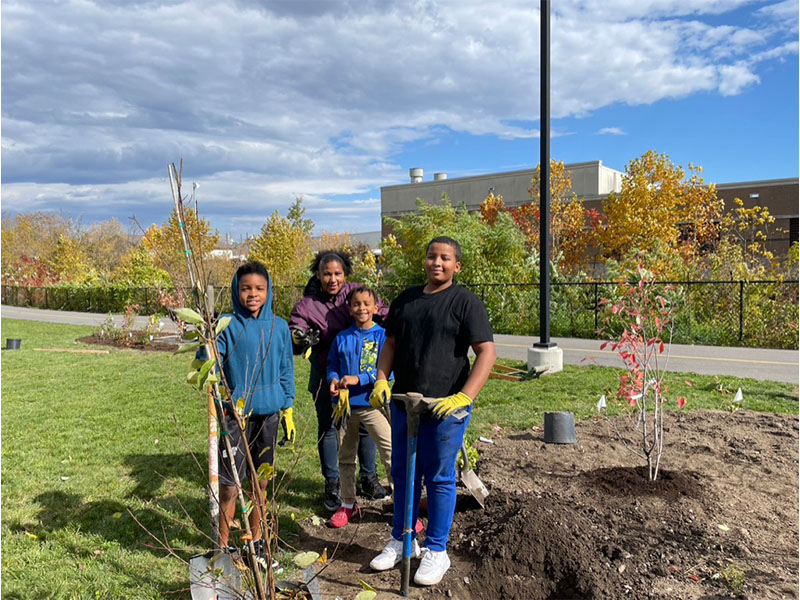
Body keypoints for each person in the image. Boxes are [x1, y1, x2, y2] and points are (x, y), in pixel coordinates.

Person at [368, 236, 496, 586]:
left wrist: (464, 397)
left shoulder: (465, 302)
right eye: (431, 256)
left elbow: (486, 352)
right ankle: (403, 540)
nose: (436, 263)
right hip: (405, 403)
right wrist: (382, 379)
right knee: (403, 473)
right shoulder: (405, 300)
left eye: (445, 258)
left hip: (445, 407)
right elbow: (390, 344)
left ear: (457, 265)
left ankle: (437, 550)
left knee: (439, 476)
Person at [203, 261, 295, 569]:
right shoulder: (227, 325)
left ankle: (256, 542)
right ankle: (222, 547)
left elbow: (285, 369)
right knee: (230, 486)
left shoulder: (279, 327)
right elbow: (207, 362)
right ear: (235, 291)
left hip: (268, 416)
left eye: (259, 289)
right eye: (246, 289)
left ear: (268, 292)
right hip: (236, 417)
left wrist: (288, 407)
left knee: (260, 484)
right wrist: (206, 339)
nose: (252, 295)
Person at [289, 250, 390, 512]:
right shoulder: (307, 305)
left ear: (345, 274)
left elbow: (383, 311)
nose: (332, 279)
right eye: (326, 274)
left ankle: (369, 478)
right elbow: (295, 328)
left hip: (363, 379)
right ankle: (332, 484)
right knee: (330, 429)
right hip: (328, 374)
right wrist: (298, 337)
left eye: (338, 273)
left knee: (366, 427)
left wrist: (403, 320)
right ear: (318, 274)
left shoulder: (356, 292)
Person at [326, 285, 393, 528]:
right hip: (344, 406)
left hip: (371, 405)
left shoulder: (383, 336)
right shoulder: (341, 337)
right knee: (345, 456)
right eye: (356, 304)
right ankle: (347, 503)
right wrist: (333, 379)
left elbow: (388, 371)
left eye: (367, 303)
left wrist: (360, 379)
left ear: (376, 307)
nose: (361, 308)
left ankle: (402, 503)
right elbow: (332, 365)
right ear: (349, 308)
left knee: (390, 452)